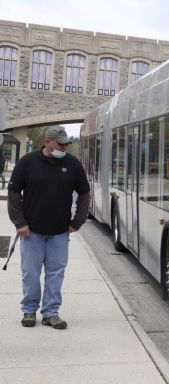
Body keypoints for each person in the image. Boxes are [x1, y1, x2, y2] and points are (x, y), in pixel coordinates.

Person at [7, 127, 90, 330]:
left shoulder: (72, 164)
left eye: (66, 144)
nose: (64, 147)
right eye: (60, 143)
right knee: (30, 273)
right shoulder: (27, 162)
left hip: (59, 233)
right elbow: (14, 193)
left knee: (55, 273)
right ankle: (29, 310)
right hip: (31, 231)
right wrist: (20, 223)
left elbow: (85, 194)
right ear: (48, 142)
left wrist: (76, 223)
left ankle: (51, 313)